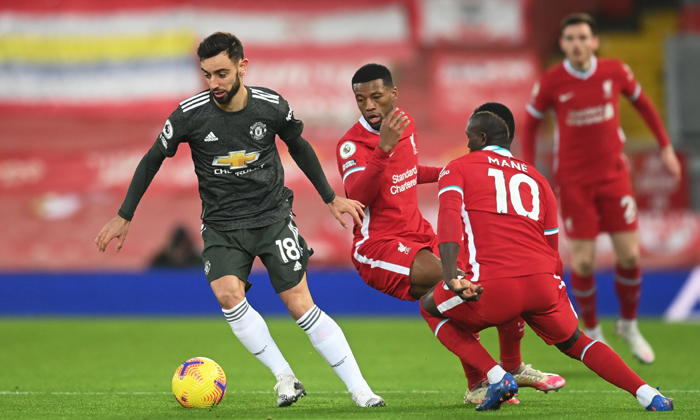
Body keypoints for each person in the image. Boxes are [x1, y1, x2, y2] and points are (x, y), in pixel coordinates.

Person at [95, 32, 385, 408]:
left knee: (299, 304)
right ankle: (285, 378)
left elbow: (299, 146)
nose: (214, 83)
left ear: (242, 67)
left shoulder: (271, 106)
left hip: (272, 218)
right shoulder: (189, 115)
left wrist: (330, 198)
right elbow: (152, 159)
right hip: (222, 226)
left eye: (222, 73)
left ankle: (361, 390)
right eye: (207, 75)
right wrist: (124, 216)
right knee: (228, 296)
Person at [335, 63, 565, 405]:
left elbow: (407, 171)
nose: (369, 105)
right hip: (379, 246)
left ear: (393, 95)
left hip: (418, 234)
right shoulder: (351, 145)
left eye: (376, 97)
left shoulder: (406, 124)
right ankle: (496, 375)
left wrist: (452, 172)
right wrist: (383, 148)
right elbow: (357, 197)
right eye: (361, 99)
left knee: (492, 276)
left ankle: (493, 376)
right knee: (455, 282)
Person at [420, 102, 674, 412]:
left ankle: (497, 376)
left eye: (469, 137)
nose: (468, 143)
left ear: (482, 137)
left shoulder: (458, 167)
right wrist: (554, 292)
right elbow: (552, 244)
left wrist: (451, 276)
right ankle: (649, 395)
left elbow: (448, 220)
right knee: (578, 342)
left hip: (494, 283)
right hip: (543, 281)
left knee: (431, 307)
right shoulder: (537, 178)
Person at [520, 13, 682, 364]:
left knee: (630, 257)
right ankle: (593, 329)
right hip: (574, 181)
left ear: (594, 41)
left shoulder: (615, 71)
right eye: (570, 39)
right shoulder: (551, 81)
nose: (577, 44)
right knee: (583, 261)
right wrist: (530, 168)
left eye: (583, 37)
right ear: (562, 45)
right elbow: (530, 124)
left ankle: (629, 325)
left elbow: (644, 104)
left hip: (613, 176)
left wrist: (665, 147)